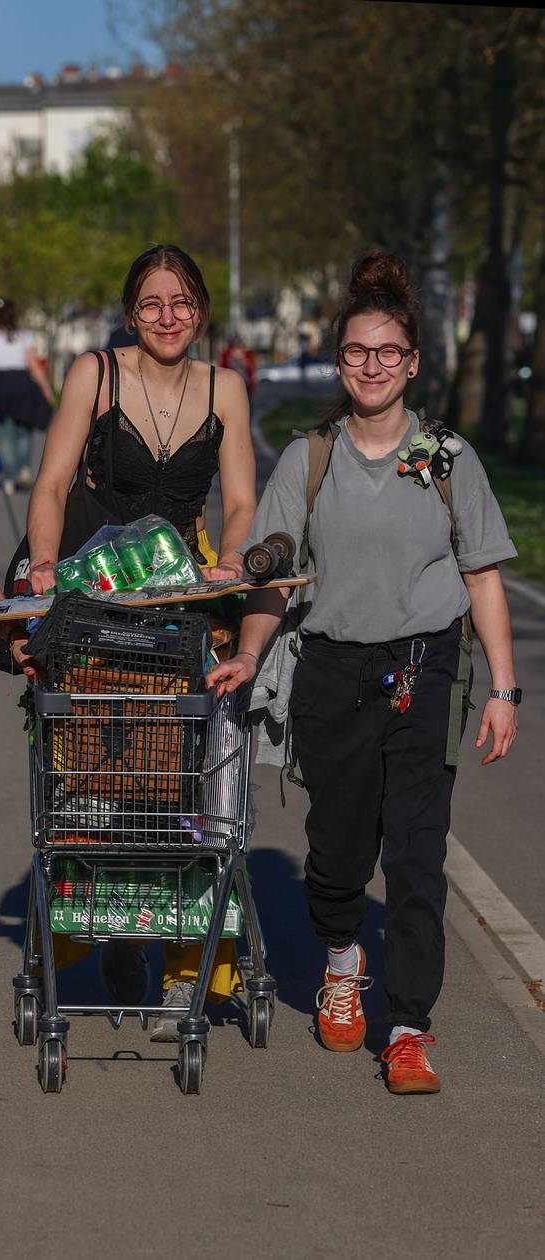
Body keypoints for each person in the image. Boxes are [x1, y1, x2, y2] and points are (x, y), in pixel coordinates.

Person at [208, 251, 519, 1094]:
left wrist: (504, 686)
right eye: (357, 352)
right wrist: (245, 652)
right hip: (332, 676)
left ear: (413, 362)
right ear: (338, 360)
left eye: (389, 353)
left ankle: (410, 1025)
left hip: (425, 670)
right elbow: (270, 577)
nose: (372, 366)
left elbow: (483, 573)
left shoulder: (444, 457)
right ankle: (342, 958)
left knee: (417, 856)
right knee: (339, 853)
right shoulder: (309, 460)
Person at [20, 243, 258, 1040]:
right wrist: (47, 569)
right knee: (100, 764)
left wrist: (227, 564)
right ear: (131, 312)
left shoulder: (227, 386)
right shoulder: (97, 374)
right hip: (98, 585)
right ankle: (108, 931)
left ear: (201, 310)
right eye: (153, 303)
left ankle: (189, 962)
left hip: (180, 592)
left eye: (183, 302)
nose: (168, 317)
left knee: (188, 775)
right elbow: (51, 483)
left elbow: (241, 497)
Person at [0, 299, 55, 494]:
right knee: (24, 430)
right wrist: (46, 390)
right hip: (22, 383)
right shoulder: (25, 336)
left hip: (0, 384)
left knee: (4, 432)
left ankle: (9, 476)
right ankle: (24, 469)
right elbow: (33, 365)